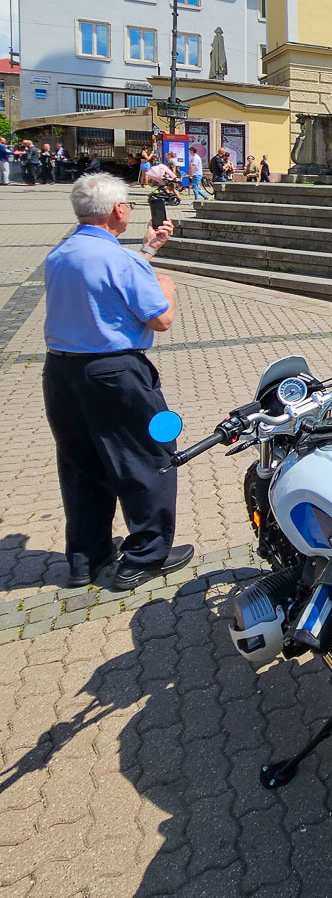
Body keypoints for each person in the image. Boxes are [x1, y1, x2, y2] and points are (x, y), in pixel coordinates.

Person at [42, 172, 192, 591]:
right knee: (147, 458)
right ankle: (146, 555)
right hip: (114, 374)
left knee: (81, 463)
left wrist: (148, 250)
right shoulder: (121, 261)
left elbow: (103, 283)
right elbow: (160, 319)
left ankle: (85, 558)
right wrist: (167, 287)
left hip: (62, 373)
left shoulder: (60, 253)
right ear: (118, 210)